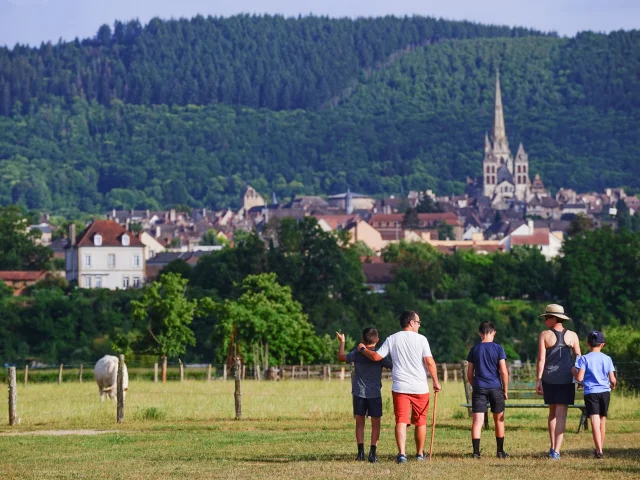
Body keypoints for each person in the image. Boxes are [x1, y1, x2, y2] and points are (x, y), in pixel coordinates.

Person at [357, 310, 441, 464]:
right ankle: (419, 454)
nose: (419, 325)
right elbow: (429, 362)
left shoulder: (392, 339)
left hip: (400, 387)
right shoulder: (422, 339)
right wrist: (436, 381)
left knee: (401, 420)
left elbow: (376, 357)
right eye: (418, 322)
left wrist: (362, 349)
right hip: (420, 388)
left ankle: (402, 454)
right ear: (411, 323)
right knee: (420, 421)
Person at [336, 328, 392, 463]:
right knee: (376, 425)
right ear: (377, 340)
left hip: (359, 392)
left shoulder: (356, 353)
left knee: (360, 424)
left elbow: (341, 357)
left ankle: (360, 453)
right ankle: (372, 454)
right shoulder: (380, 356)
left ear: (362, 339)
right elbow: (393, 365)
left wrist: (342, 342)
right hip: (374, 394)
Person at [535, 304, 581, 460]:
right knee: (562, 415)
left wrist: (538, 380)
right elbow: (579, 358)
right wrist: (580, 377)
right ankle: (556, 450)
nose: (545, 321)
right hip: (566, 379)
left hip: (549, 378)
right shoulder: (573, 336)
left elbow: (541, 359)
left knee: (553, 413)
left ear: (554, 319)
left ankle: (553, 446)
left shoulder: (544, 335)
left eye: (546, 318)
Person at [466, 321, 509, 459]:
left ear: (480, 333)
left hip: (479, 386)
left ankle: (476, 452)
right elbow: (503, 371)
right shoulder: (498, 348)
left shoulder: (474, 349)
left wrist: (475, 385)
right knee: (499, 420)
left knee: (477, 420)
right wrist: (505, 390)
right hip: (495, 387)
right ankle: (500, 451)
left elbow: (469, 373)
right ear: (494, 332)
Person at [572, 331, 616, 459]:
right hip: (605, 392)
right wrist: (613, 385)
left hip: (591, 393)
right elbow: (612, 379)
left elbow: (579, 377)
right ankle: (599, 449)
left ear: (587, 344)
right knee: (602, 421)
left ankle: (599, 451)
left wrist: (573, 371)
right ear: (603, 344)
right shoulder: (607, 358)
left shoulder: (584, 358)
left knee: (594, 422)